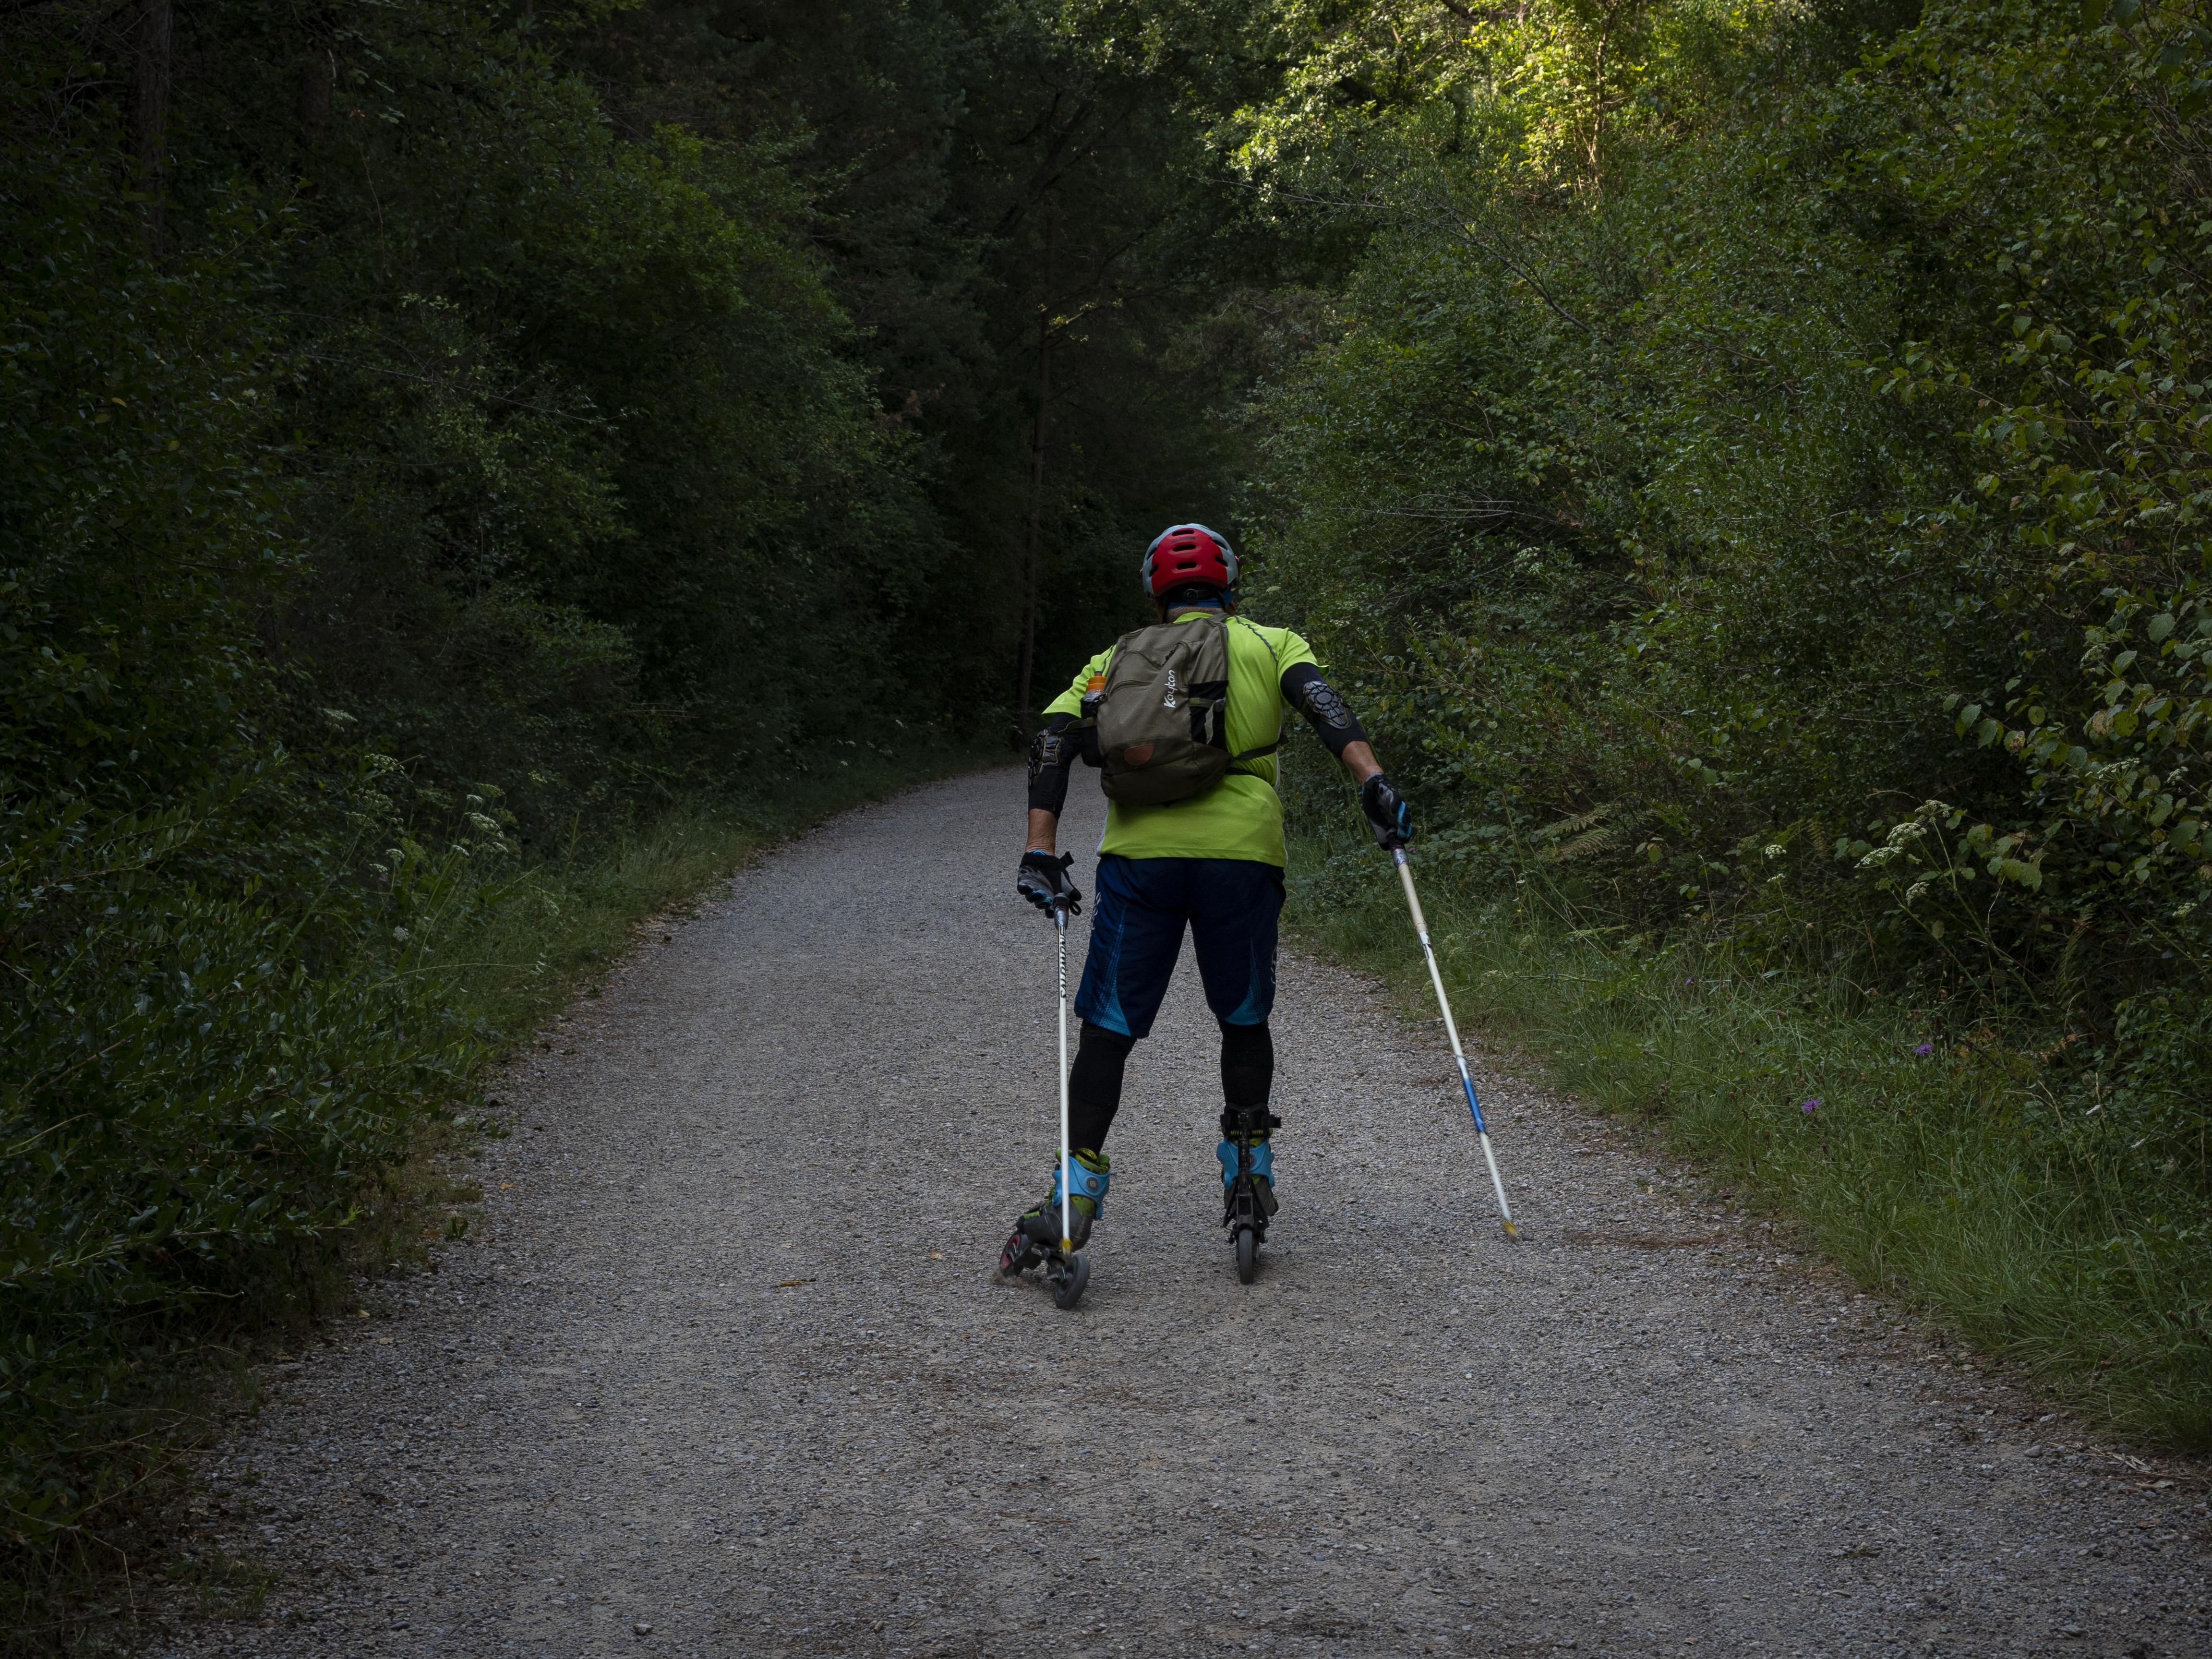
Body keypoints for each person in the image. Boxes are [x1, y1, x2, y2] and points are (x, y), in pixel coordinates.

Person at [999, 522, 1413, 1277]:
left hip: (1141, 860)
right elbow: (1326, 709)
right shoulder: (1275, 642)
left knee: (1110, 1030)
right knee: (1244, 1016)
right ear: (1230, 582)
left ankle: (1073, 1196)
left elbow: (1055, 742)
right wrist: (1373, 782)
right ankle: (1249, 1177)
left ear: (1157, 592)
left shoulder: (1113, 659)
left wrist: (1038, 846)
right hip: (1243, 856)